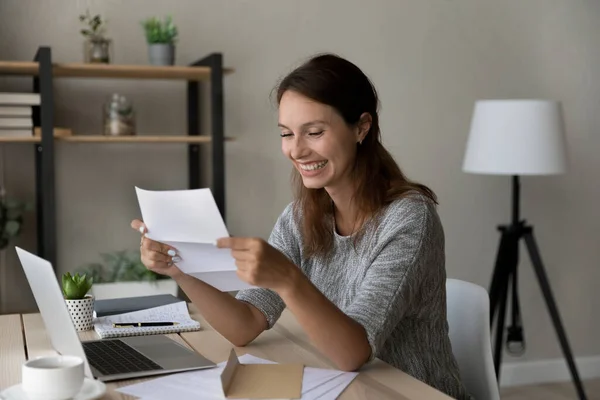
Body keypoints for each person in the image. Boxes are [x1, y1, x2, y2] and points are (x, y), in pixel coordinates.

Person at [131, 54, 471, 399]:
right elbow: (245, 325)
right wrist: (179, 268)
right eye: (286, 134)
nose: (296, 150)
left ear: (361, 128)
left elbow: (354, 353)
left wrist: (288, 279)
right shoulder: (300, 217)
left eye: (314, 132)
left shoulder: (409, 219)